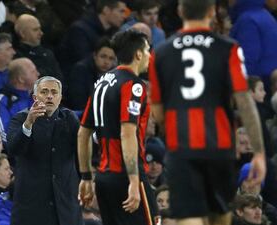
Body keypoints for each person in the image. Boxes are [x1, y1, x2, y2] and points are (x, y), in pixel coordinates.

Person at [148, 0, 266, 225]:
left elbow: (158, 112)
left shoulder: (161, 53)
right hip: (219, 147)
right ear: (212, 12)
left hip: (181, 147)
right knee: (219, 217)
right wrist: (259, 152)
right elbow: (244, 102)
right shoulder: (228, 48)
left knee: (188, 218)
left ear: (180, 11)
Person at [78, 29, 158, 225]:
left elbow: (83, 134)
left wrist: (86, 177)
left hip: (104, 179)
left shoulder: (101, 83)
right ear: (138, 54)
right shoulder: (133, 85)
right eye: (147, 50)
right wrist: (133, 180)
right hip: (127, 177)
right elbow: (127, 133)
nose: (149, 55)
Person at [7, 76, 83, 225]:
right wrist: (29, 123)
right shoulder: (21, 118)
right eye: (44, 92)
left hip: (65, 205)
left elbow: (83, 146)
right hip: (32, 206)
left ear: (60, 98)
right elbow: (13, 149)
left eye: (54, 92)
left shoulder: (69, 118)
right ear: (35, 97)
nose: (49, 96)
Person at [0, 58, 38, 141]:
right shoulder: (1, 101)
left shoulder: (37, 97)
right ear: (21, 79)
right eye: (33, 71)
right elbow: (0, 134)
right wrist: (24, 146)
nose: (38, 73)